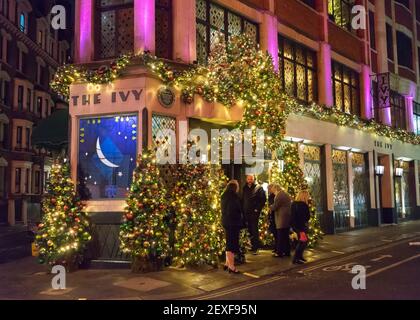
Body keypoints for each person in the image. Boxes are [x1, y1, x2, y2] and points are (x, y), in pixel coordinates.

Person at [221, 180, 244, 274]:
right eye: (237, 186)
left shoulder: (224, 196)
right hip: (232, 223)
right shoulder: (233, 197)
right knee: (232, 244)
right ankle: (232, 266)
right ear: (234, 187)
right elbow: (233, 211)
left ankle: (227, 263)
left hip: (227, 222)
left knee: (229, 242)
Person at [242, 175, 266, 255]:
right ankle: (252, 246)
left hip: (254, 212)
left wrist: (257, 209)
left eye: (251, 179)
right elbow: (243, 199)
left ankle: (256, 247)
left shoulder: (258, 188)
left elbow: (263, 200)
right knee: (249, 229)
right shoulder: (244, 188)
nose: (249, 180)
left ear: (254, 179)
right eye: (248, 179)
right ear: (246, 179)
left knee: (254, 229)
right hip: (246, 212)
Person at [270, 185, 292, 258]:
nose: (272, 192)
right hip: (286, 217)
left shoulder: (279, 195)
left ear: (276, 189)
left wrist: (270, 207)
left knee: (280, 236)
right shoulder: (285, 194)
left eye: (273, 190)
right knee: (285, 235)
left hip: (281, 218)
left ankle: (279, 252)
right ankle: (287, 251)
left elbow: (275, 206)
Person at [290, 190, 311, 265]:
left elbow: (292, 216)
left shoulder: (293, 204)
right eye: (307, 196)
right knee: (303, 241)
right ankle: (296, 258)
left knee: (302, 241)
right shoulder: (304, 205)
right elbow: (307, 217)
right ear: (304, 196)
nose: (309, 197)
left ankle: (300, 257)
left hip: (295, 226)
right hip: (301, 226)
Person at [267, 184, 277, 253]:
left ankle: (277, 248)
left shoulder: (274, 196)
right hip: (272, 216)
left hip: (274, 216)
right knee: (275, 232)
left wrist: (270, 209)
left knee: (276, 232)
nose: (268, 190)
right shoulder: (271, 196)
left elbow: (272, 205)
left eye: (269, 188)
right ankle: (276, 247)